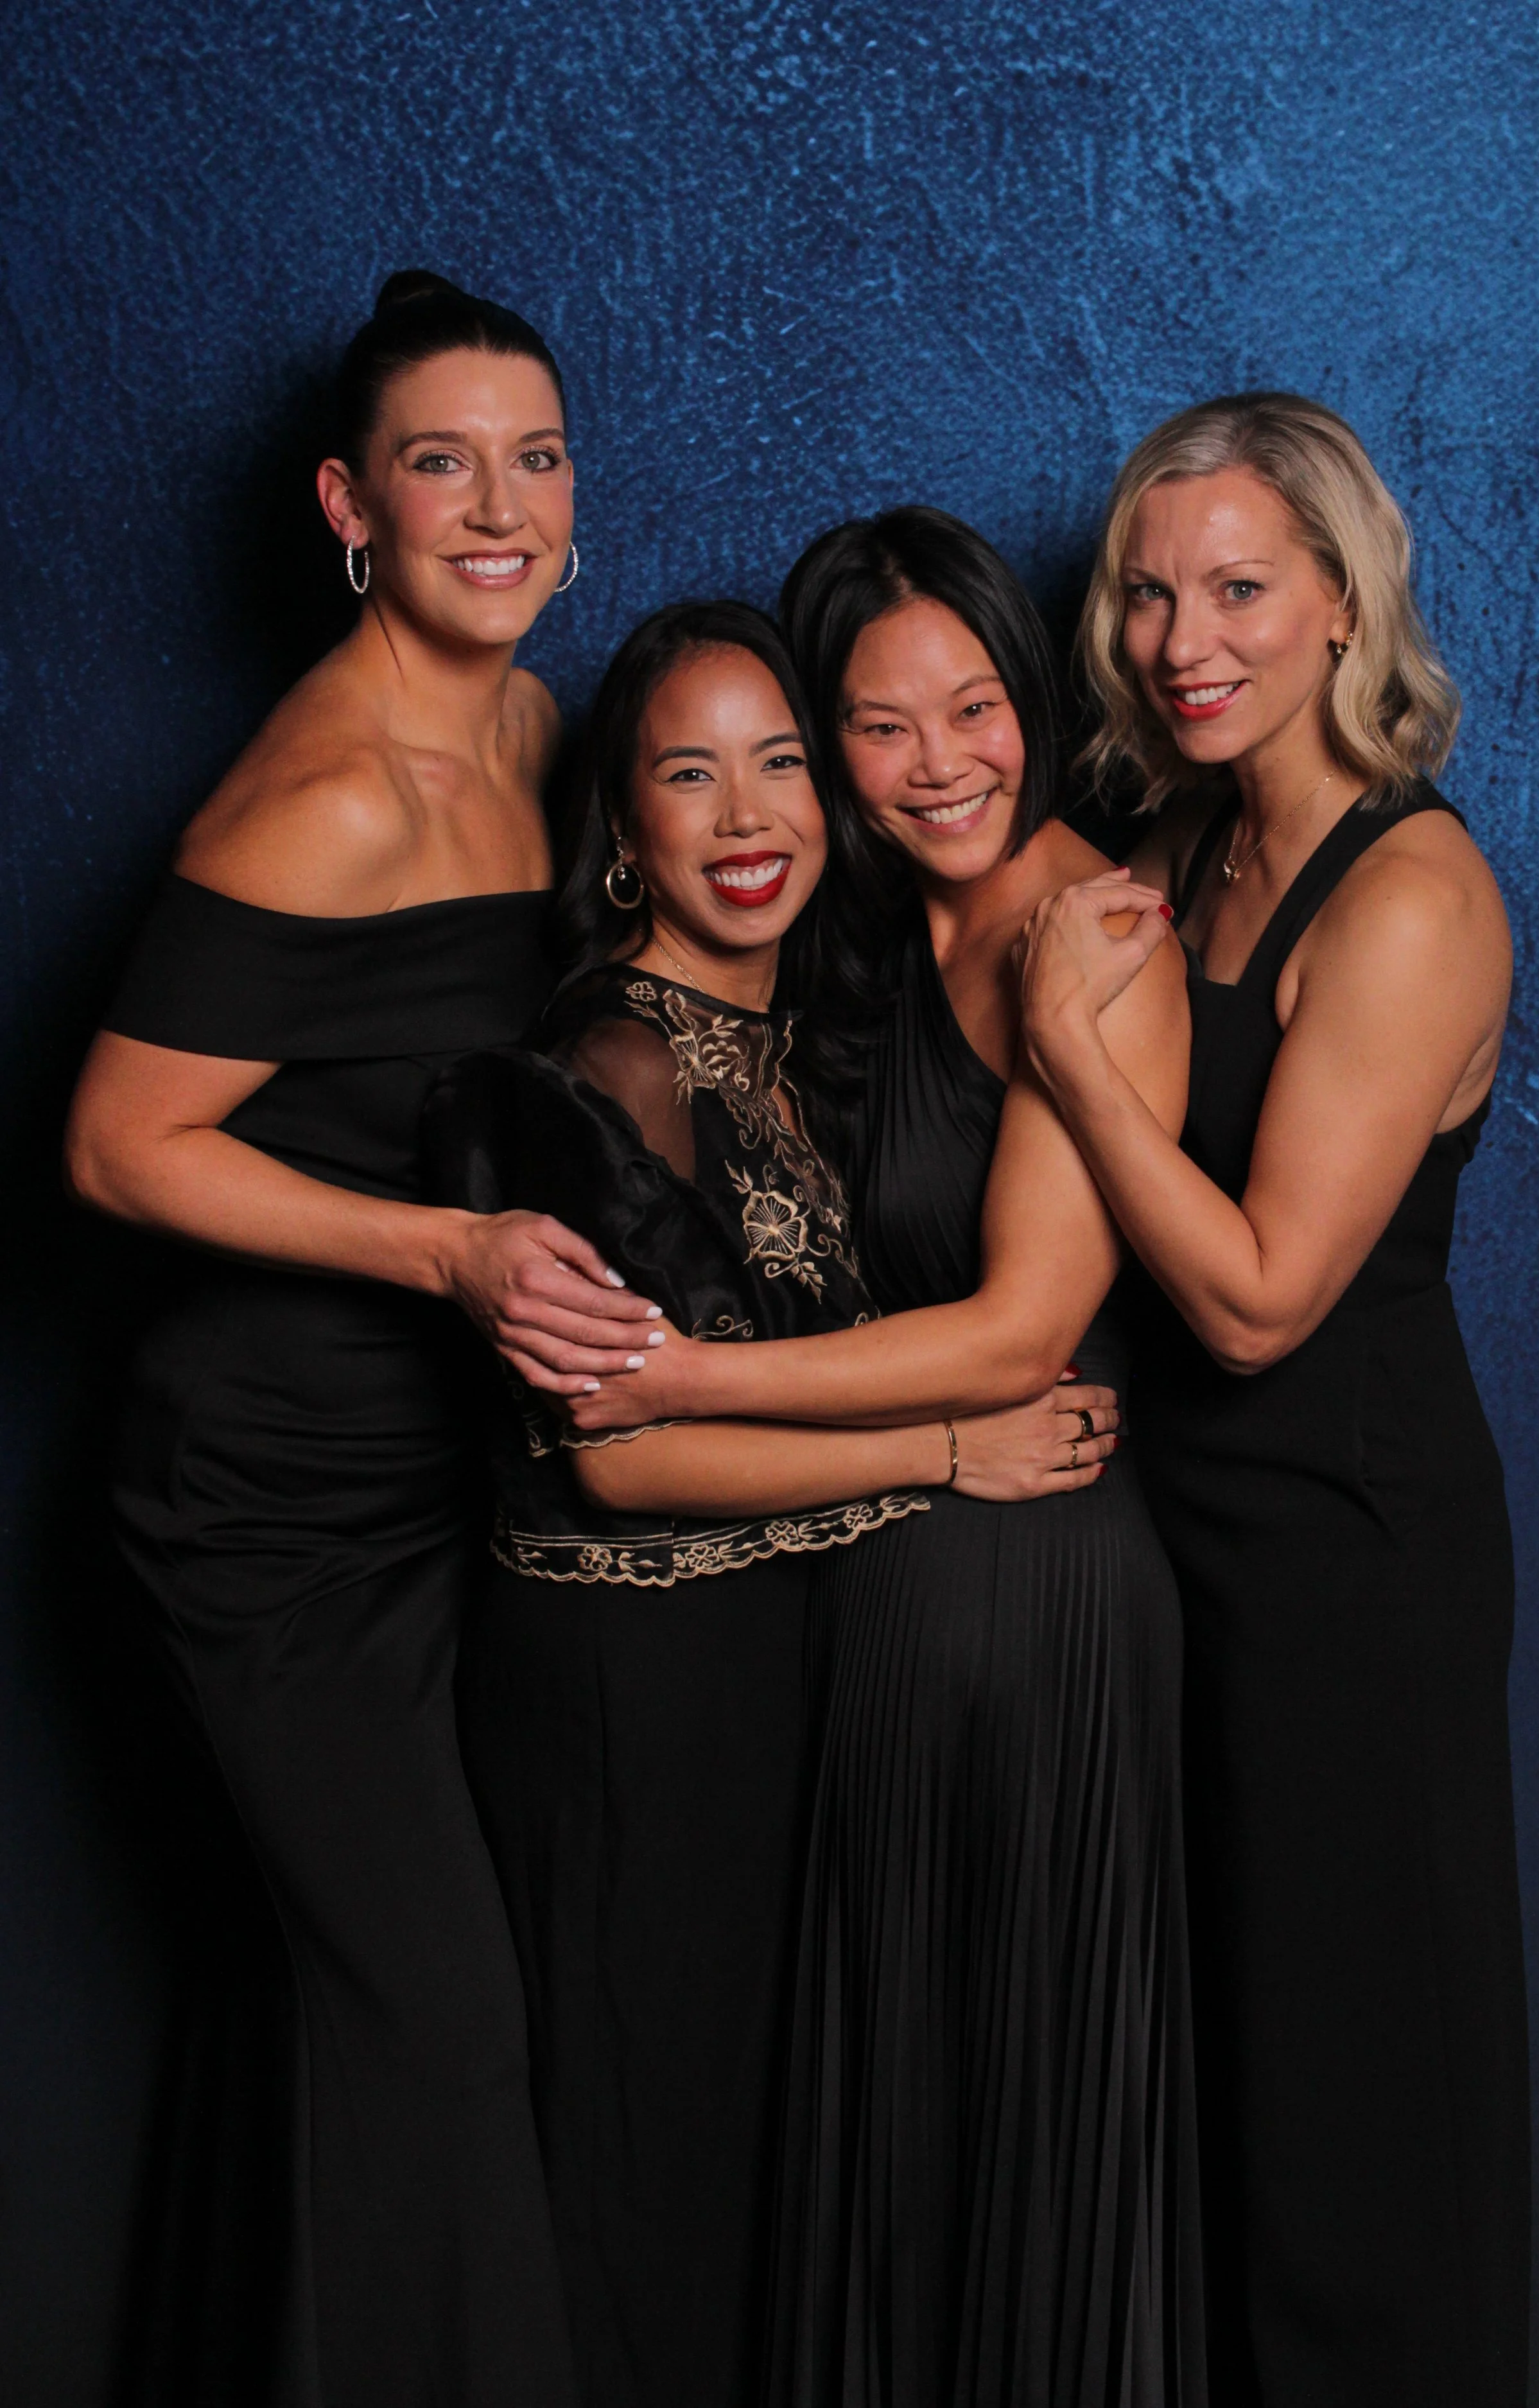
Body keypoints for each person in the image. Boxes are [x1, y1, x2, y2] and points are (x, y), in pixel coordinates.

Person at [62, 270, 652, 2408]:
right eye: (439, 463)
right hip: (266, 1508)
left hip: (447, 1485)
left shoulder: (533, 721)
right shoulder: (328, 793)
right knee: (431, 2016)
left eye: (537, 456)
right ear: (349, 505)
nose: (497, 506)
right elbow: (119, 1149)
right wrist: (447, 1257)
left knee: (331, 2002)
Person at [428, 599, 1112, 2408]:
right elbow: (620, 1449)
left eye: (783, 761)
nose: (746, 814)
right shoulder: (603, 1066)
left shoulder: (793, 1032)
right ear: (624, 826)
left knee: (754, 2183)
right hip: (623, 1690)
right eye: (687, 770)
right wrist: (944, 1450)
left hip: (765, 1671)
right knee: (637, 2172)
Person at [557, 512, 1207, 2408]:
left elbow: (1018, 1333)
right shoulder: (836, 929)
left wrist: (670, 1382)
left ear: (1032, 698)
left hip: (1033, 1582)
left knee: (1026, 2122)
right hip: (873, 1586)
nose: (942, 763)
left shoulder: (1092, 934)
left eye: (976, 707)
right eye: (878, 724)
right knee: (886, 2131)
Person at [1016, 392, 1529, 2408]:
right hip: (1190, 1558)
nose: (1178, 638)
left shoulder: (1409, 897)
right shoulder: (1181, 841)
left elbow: (1248, 1302)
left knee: (1361, 2124)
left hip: (1349, 1564)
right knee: (1231, 2110)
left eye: (1235, 586)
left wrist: (1067, 1053)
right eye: (1145, 594)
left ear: (1340, 600)